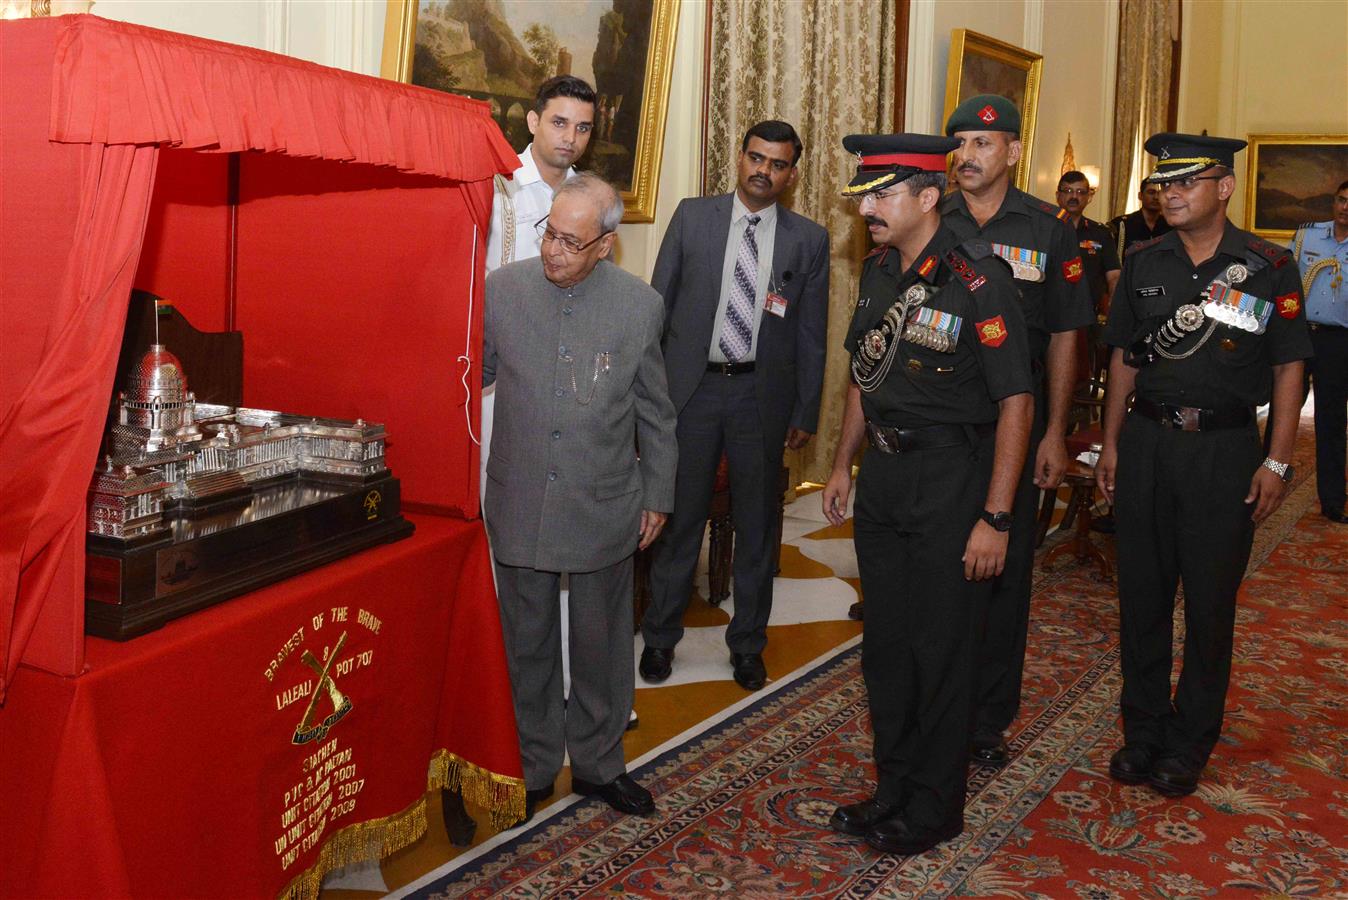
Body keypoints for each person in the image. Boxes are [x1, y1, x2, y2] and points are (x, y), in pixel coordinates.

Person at [822, 133, 1033, 855]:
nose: (868, 210)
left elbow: (1015, 402)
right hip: (884, 480)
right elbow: (865, 371)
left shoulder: (980, 280)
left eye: (881, 196)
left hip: (952, 480)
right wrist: (844, 461)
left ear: (925, 197)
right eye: (865, 197)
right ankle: (894, 788)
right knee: (886, 646)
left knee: (940, 650)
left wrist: (996, 516)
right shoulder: (881, 271)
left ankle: (935, 807)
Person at [1096, 133, 1312, 797]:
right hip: (1148, 446)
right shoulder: (1143, 261)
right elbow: (1125, 358)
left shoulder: (1268, 265)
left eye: (1189, 181)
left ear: (1224, 187)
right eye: (1165, 182)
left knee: (1211, 604)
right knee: (1142, 598)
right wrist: (1110, 445)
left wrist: (1276, 459)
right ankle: (1142, 732)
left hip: (1223, 452)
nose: (1172, 192)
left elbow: (1288, 365)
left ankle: (1189, 741)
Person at [482, 173, 678, 821]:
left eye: (571, 240)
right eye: (549, 234)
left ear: (606, 245)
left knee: (599, 643)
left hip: (604, 502)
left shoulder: (639, 306)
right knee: (527, 641)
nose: (552, 251)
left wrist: (658, 493)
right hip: (519, 498)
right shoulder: (502, 293)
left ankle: (598, 766)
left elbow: (657, 414)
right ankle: (534, 763)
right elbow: (460, 375)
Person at [639, 121, 830, 691]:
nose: (763, 171)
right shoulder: (692, 217)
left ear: (791, 174)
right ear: (739, 156)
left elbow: (812, 335)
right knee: (679, 523)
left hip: (760, 399)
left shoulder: (808, 239)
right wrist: (652, 398)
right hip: (691, 394)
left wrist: (805, 411)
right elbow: (657, 309)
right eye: (756, 158)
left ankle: (747, 644)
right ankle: (659, 640)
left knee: (758, 527)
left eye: (777, 164)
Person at [941, 94, 1094, 768]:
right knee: (937, 569)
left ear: (1010, 152)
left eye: (982, 143)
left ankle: (986, 719)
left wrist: (1057, 430)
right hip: (939, 421)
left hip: (1017, 422)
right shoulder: (929, 213)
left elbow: (1066, 334)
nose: (967, 156)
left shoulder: (1047, 229)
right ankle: (935, 703)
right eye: (960, 144)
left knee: (1004, 576)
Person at [487, 76, 596, 272]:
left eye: (582, 128)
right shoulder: (493, 186)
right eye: (559, 123)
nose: (571, 138)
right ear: (533, 122)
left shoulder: (593, 199)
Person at [1290, 180, 1348, 522]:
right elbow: (1284, 280)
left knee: (1331, 419)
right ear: (1333, 202)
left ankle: (1332, 500)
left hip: (1337, 342)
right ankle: (1264, 480)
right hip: (1298, 334)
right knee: (1282, 411)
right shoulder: (1307, 237)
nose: (1345, 208)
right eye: (1341, 200)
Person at [1108, 181, 1172, 260]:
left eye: (1160, 193)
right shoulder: (1122, 225)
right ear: (1140, 196)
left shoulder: (1171, 225)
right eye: (1151, 192)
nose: (1156, 197)